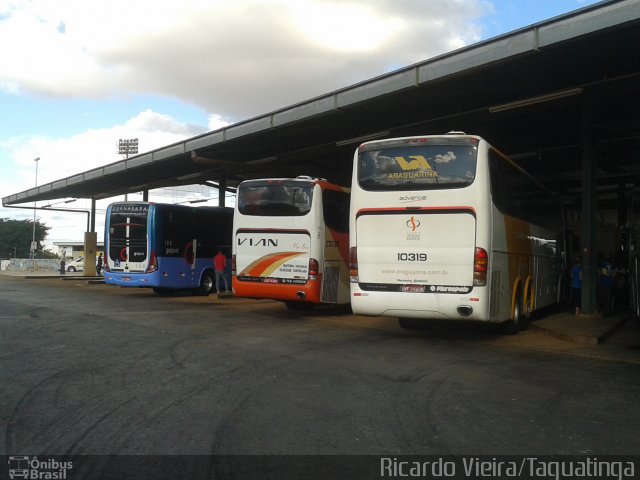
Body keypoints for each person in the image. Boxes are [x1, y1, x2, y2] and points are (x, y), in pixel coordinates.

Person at [596, 252, 614, 316]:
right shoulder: (608, 264)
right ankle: (606, 312)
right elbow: (610, 274)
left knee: (601, 298)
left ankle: (600, 311)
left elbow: (597, 274)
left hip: (601, 283)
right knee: (607, 299)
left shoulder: (598, 264)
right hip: (608, 283)